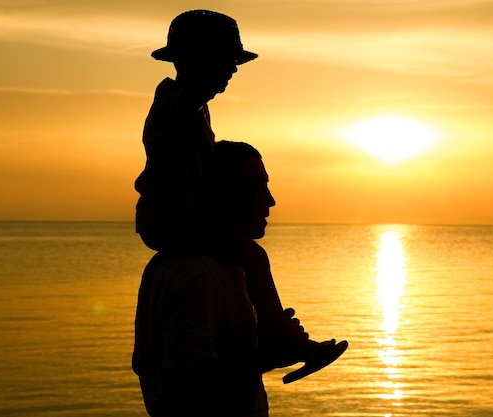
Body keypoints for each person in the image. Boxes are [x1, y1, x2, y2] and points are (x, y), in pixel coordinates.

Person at [134, 9, 347, 383]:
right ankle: (290, 343)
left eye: (234, 62)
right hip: (175, 217)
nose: (232, 71)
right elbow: (187, 386)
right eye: (225, 61)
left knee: (248, 258)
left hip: (182, 215)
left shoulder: (195, 109)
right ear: (193, 61)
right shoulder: (177, 104)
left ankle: (281, 335)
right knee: (252, 254)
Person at [132, 141, 274, 416]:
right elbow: (185, 393)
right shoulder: (196, 273)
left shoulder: (225, 266)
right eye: (258, 186)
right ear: (227, 193)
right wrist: (269, 355)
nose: (270, 200)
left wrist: (258, 341)